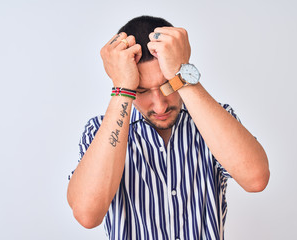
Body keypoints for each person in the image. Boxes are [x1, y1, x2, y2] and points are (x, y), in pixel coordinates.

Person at [67, 15, 270, 239]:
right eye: (142, 91)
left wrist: (182, 74)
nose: (160, 104)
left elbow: (256, 180)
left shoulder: (215, 120)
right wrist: (123, 88)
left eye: (168, 85)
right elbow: (87, 215)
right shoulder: (98, 131)